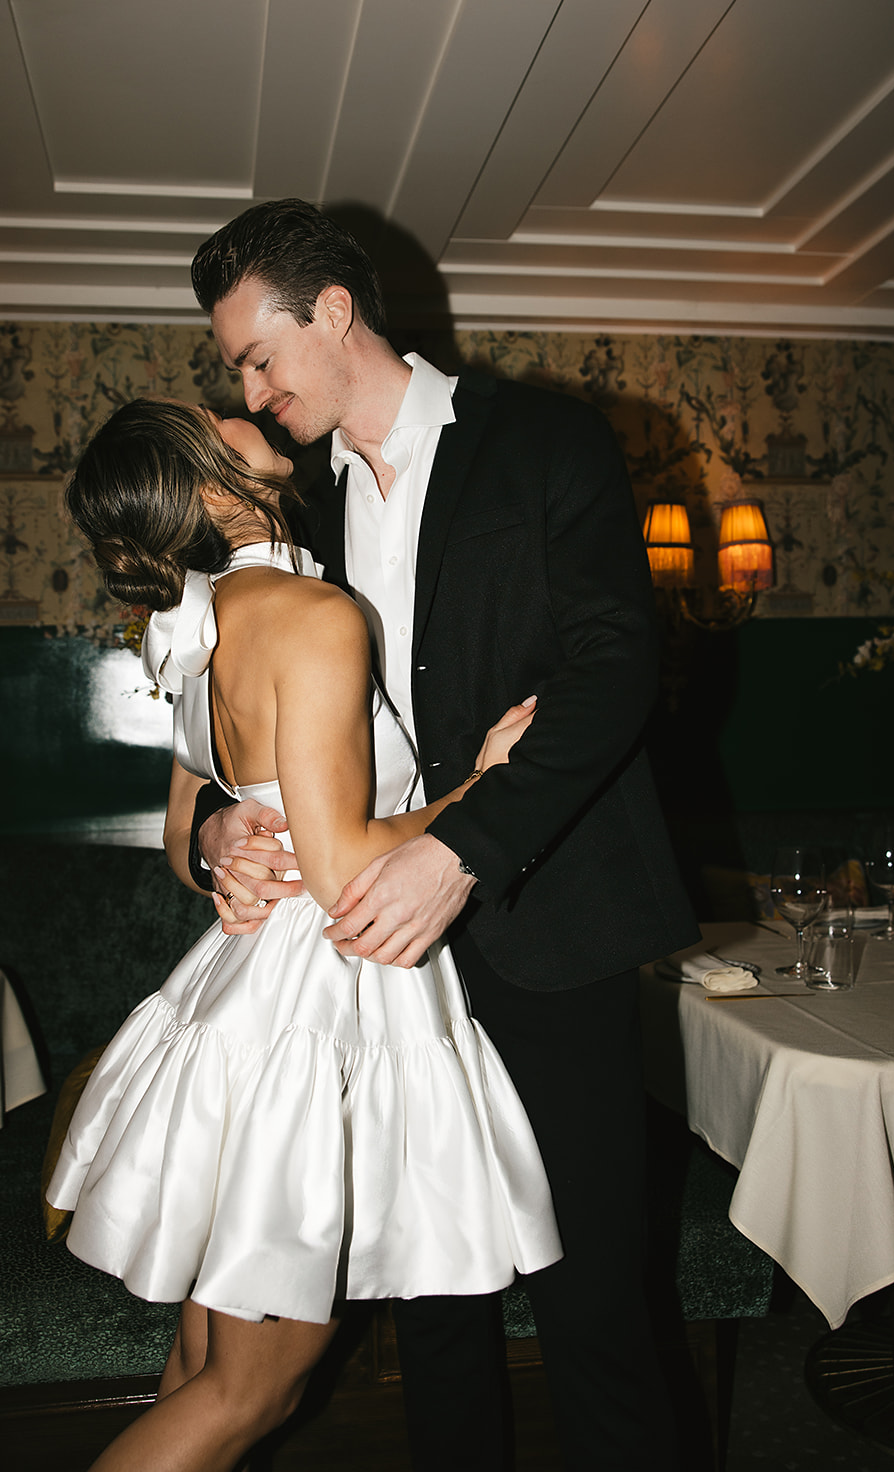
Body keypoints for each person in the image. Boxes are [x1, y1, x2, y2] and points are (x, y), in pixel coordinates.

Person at [188, 199, 701, 1472]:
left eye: (258, 356)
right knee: (433, 1305)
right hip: (373, 956)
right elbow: (219, 712)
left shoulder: (540, 440)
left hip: (553, 922)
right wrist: (211, 827)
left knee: (593, 1300)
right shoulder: (286, 498)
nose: (248, 391)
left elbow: (613, 667)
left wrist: (463, 846)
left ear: (338, 314)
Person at [46, 397, 562, 1472]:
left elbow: (181, 830)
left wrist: (226, 830)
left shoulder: (195, 624)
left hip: (248, 982)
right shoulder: (312, 614)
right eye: (211, 416)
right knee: (249, 1392)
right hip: (318, 999)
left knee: (202, 1365)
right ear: (204, 484)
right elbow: (341, 867)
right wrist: (484, 783)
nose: (235, 403)